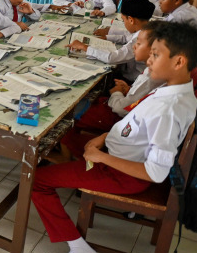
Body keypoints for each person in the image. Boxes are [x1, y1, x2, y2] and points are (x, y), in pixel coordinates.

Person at [32, 21, 197, 253]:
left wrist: (100, 157)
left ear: (179, 61)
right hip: (115, 150)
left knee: (37, 181)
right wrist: (102, 137)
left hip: (122, 174)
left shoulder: (169, 109)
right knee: (61, 131)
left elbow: (155, 172)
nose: (149, 60)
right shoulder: (174, 88)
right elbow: (136, 124)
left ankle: (78, 248)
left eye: (155, 55)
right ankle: (76, 168)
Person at [58, 22, 164, 162]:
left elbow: (122, 108)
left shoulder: (153, 75)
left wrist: (117, 93)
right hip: (128, 113)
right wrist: (128, 90)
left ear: (153, 49)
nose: (134, 47)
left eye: (138, 44)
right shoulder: (153, 69)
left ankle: (75, 153)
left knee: (68, 115)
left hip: (120, 117)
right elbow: (139, 96)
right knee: (86, 101)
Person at [67, 0, 155, 82]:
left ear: (131, 20)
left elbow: (112, 58)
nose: (124, 23)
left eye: (123, 20)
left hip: (132, 79)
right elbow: (127, 37)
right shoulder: (146, 29)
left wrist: (84, 47)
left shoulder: (140, 40)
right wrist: (108, 37)